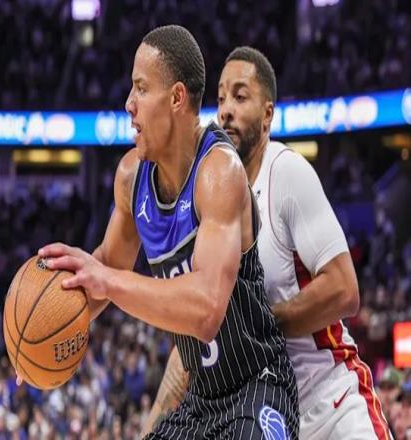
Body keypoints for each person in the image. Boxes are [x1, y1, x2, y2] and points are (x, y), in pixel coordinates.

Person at [21, 27, 299, 438]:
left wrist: (107, 279)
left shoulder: (219, 172)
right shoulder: (130, 178)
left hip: (258, 386)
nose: (128, 104)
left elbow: (206, 310)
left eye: (140, 88)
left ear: (176, 98)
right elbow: (107, 267)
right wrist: (36, 335)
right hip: (201, 400)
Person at [144, 46, 392, 439]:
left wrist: (257, 328)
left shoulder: (286, 171)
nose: (226, 110)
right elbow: (194, 342)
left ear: (268, 114)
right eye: (221, 99)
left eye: (240, 97)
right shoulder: (212, 194)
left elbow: (344, 290)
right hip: (271, 415)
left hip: (332, 403)